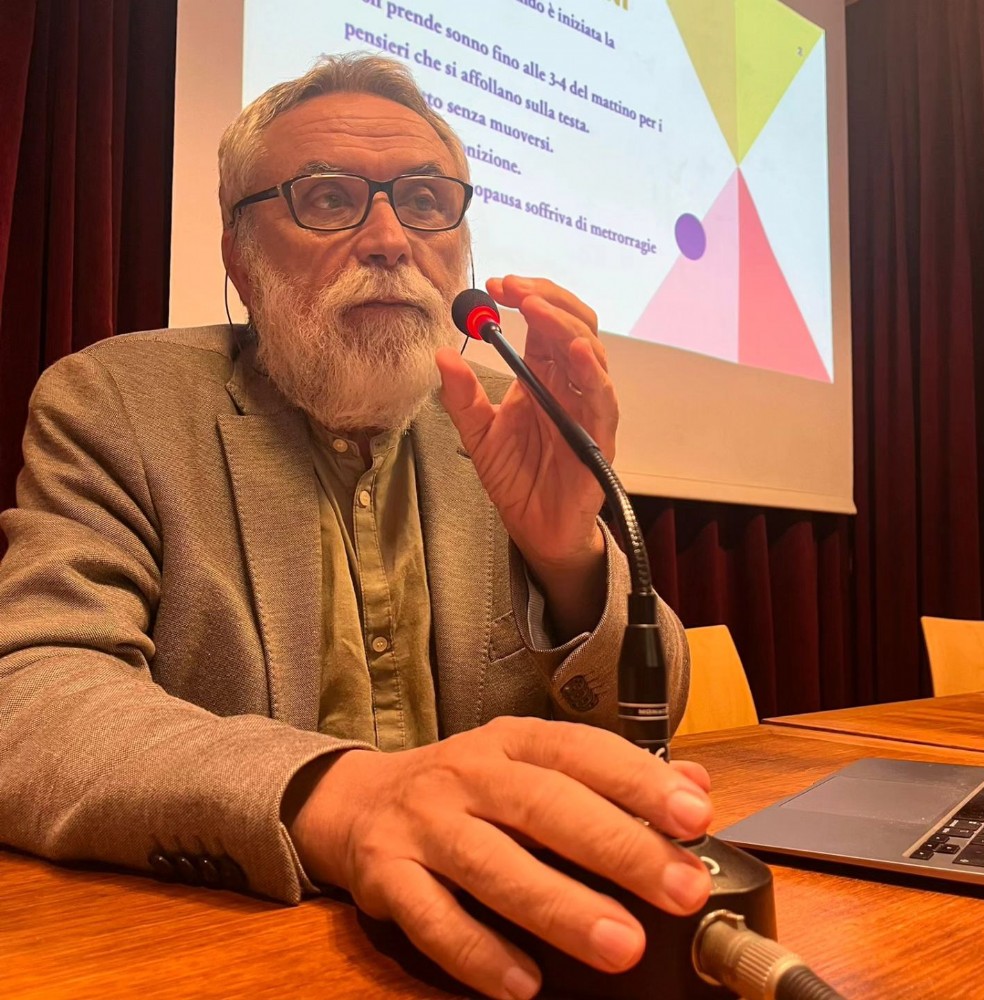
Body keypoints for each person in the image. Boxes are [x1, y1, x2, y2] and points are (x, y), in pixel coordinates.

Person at [0, 53, 713, 1000]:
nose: (388, 238)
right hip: (233, 952)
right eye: (329, 199)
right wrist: (337, 797)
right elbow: (32, 696)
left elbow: (656, 712)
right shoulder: (118, 402)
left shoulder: (502, 411)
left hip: (519, 937)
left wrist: (569, 557)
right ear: (240, 257)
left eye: (424, 201)